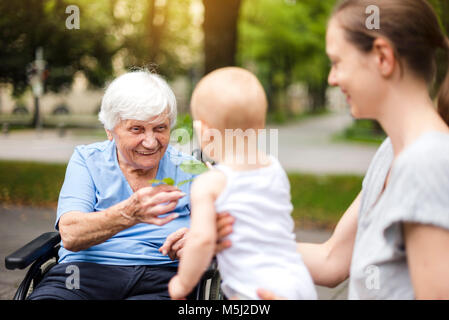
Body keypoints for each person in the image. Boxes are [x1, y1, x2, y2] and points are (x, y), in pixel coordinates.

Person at [218, 0, 449, 300]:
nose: (332, 78)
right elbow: (332, 260)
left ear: (382, 57)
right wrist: (226, 244)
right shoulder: (391, 152)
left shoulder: (428, 163)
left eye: (337, 62)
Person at [28, 70, 196, 300]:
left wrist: (200, 239)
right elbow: (71, 234)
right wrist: (128, 213)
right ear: (110, 130)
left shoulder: (189, 169)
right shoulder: (87, 161)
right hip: (81, 274)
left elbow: (227, 231)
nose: (150, 142)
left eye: (160, 128)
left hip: (161, 276)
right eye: (136, 129)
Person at [168, 67, 317, 300]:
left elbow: (202, 240)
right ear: (260, 125)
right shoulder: (275, 169)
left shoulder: (208, 185)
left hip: (253, 289)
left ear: (204, 132)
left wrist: (181, 283)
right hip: (298, 282)